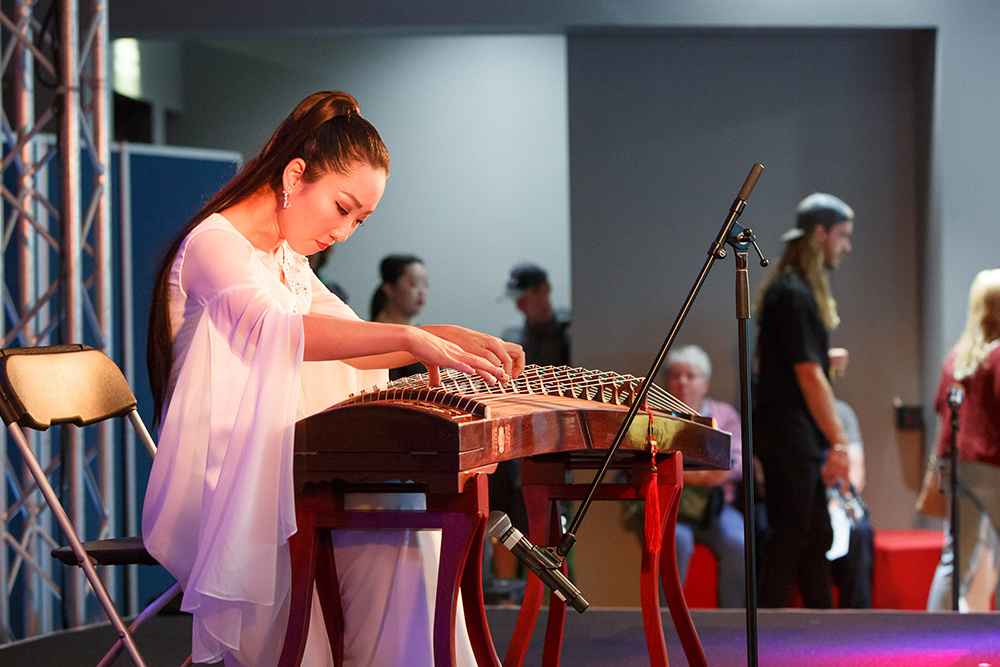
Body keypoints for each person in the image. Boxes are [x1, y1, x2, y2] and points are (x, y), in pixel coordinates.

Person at [141, 91, 524, 667]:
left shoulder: (287, 259)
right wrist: (406, 338)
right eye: (343, 208)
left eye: (359, 220)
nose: (344, 233)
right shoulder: (214, 245)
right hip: (229, 480)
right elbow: (276, 330)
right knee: (382, 531)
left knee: (403, 533)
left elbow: (349, 342)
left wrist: (444, 334)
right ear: (296, 176)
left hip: (291, 466)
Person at [753, 192, 854, 609]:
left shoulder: (790, 290)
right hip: (789, 437)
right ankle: (768, 640)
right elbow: (808, 376)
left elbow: (796, 364)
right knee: (793, 536)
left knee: (813, 537)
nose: (847, 247)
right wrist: (841, 441)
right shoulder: (793, 294)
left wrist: (820, 358)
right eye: (843, 236)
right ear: (820, 234)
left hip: (790, 435)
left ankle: (821, 635)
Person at [926, 269, 1000, 612]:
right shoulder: (998, 355)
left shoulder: (959, 355)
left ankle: (935, 636)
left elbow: (941, 405)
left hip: (954, 463)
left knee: (954, 557)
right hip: (991, 464)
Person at [663, 345, 745, 608]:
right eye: (676, 375)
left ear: (705, 383)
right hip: (671, 508)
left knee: (739, 542)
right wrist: (708, 474)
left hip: (719, 508)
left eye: (690, 375)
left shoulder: (725, 416)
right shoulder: (658, 415)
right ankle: (666, 619)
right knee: (678, 539)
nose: (682, 382)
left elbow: (738, 464)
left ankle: (731, 623)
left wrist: (682, 473)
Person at [828, 398, 874, 609]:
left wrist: (837, 503)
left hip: (839, 502)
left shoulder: (842, 411)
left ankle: (857, 622)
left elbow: (856, 472)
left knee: (861, 533)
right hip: (801, 501)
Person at [370, 254, 430, 379]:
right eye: (414, 284)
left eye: (425, 284)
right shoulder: (374, 337)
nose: (421, 291)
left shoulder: (426, 336)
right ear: (389, 288)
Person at [500, 263, 570, 367]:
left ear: (543, 289)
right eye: (516, 299)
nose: (519, 306)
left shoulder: (571, 330)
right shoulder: (511, 335)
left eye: (523, 298)